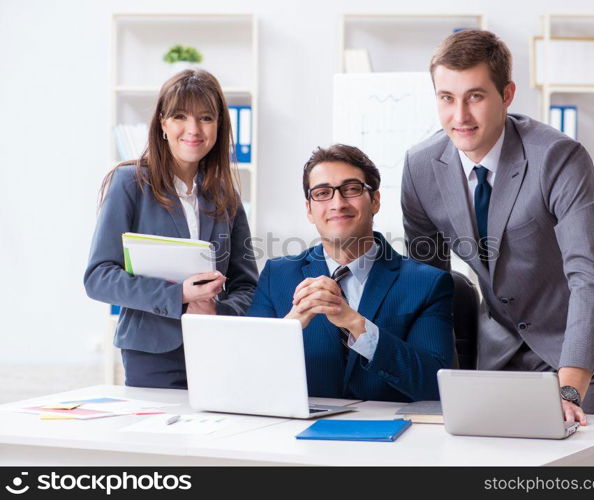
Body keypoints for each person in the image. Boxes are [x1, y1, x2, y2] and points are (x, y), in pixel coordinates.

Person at [401, 30, 594, 421]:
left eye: (476, 96)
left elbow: (590, 273)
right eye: (447, 98)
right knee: (487, 442)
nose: (460, 116)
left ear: (506, 95)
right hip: (503, 333)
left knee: (564, 446)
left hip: (584, 325)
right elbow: (427, 280)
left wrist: (569, 387)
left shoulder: (558, 158)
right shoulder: (421, 168)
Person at [84, 69, 258, 389]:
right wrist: (178, 295)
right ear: (163, 123)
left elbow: (248, 286)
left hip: (218, 350)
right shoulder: (129, 184)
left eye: (205, 118)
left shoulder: (226, 196)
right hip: (152, 355)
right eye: (180, 116)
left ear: (219, 126)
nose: (193, 129)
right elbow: (98, 277)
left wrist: (217, 311)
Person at [247, 144, 454, 402]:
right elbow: (246, 375)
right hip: (298, 432)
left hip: (391, 435)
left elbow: (436, 387)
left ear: (375, 201)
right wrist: (290, 326)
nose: (337, 203)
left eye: (352, 189)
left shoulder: (426, 283)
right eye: (322, 193)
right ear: (309, 210)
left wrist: (357, 325)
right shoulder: (277, 276)